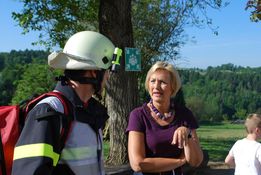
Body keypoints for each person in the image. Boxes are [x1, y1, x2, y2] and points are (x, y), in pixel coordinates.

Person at [11, 31, 121, 175]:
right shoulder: (49, 111)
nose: (108, 78)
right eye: (106, 72)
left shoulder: (90, 111)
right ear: (94, 72)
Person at [126, 61, 203, 175]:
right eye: (153, 81)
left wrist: (188, 135)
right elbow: (137, 164)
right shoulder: (138, 115)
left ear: (172, 87)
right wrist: (180, 161)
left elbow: (196, 161)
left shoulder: (184, 114)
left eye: (162, 82)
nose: (156, 86)